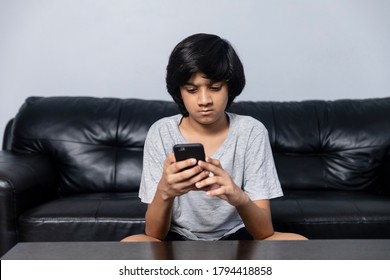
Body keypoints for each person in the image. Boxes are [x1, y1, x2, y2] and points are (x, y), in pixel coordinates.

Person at [122, 33, 306, 242]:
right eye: (191, 90)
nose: (204, 100)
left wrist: (238, 197)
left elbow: (264, 232)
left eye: (215, 88)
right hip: (178, 236)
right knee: (131, 244)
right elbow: (154, 235)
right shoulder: (161, 132)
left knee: (297, 243)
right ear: (179, 92)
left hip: (238, 235)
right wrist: (165, 191)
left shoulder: (251, 131)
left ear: (230, 87)